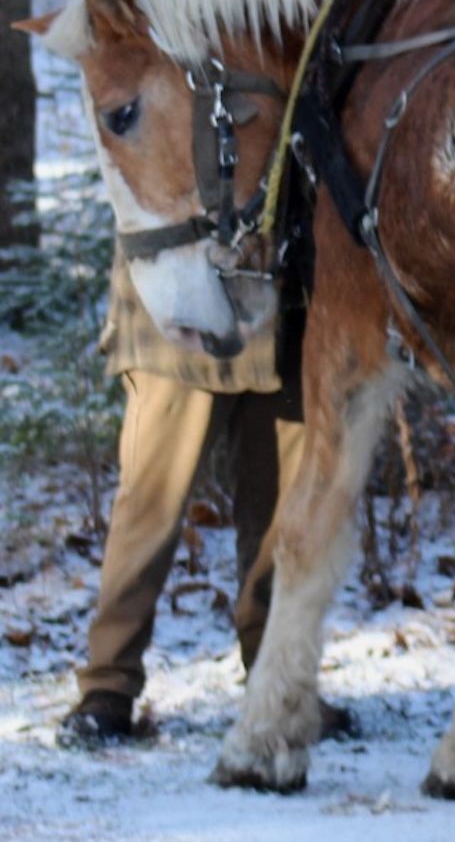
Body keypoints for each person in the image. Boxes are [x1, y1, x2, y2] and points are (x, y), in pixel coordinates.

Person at [60, 259, 308, 743]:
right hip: (178, 311)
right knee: (149, 510)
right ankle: (108, 688)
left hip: (286, 304)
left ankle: (275, 680)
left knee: (285, 516)